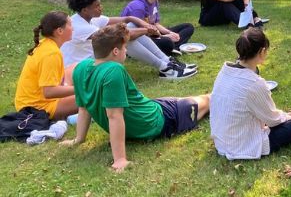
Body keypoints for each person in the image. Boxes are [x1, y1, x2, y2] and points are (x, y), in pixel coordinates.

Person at [62, 23, 210, 172]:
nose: (126, 50)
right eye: (124, 47)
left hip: (152, 108)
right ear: (115, 51)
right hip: (159, 121)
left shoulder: (80, 68)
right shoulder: (113, 70)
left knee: (182, 100)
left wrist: (78, 139)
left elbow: (84, 109)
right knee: (208, 100)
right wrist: (120, 159)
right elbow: (114, 116)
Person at [210, 27, 291, 159]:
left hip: (222, 141)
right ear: (262, 51)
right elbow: (272, 120)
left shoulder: (224, 71)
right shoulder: (253, 83)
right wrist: (289, 117)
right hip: (243, 145)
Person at [62, 0, 196, 80]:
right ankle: (165, 68)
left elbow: (127, 19)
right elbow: (120, 35)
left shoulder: (90, 18)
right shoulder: (80, 26)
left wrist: (143, 24)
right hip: (80, 70)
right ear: (85, 10)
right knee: (121, 38)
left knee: (129, 27)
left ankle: (167, 62)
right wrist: (146, 30)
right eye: (97, 6)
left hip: (94, 60)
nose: (101, 8)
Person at [14, 11, 77, 120]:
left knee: (76, 66)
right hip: (37, 108)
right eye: (70, 25)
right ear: (60, 31)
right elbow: (49, 92)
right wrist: (80, 89)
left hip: (29, 102)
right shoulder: (51, 53)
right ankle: (75, 117)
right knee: (92, 95)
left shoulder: (45, 43)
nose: (73, 28)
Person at [121, 0, 195, 56]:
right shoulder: (138, 7)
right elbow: (140, 34)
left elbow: (155, 24)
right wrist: (165, 37)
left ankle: (173, 48)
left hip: (153, 33)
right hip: (138, 38)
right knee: (167, 42)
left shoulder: (154, 1)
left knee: (188, 27)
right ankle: (172, 47)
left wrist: (170, 32)